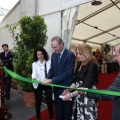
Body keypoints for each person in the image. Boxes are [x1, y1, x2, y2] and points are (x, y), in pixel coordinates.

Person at [77, 44, 120, 120]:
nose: (115, 59)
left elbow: (109, 93)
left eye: (116, 55)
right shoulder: (80, 64)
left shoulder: (92, 65)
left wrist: (86, 91)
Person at [62, 44, 99, 120]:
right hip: (78, 96)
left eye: (80, 54)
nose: (78, 56)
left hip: (88, 98)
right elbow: (76, 81)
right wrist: (68, 89)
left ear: (86, 53)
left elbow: (86, 86)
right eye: (77, 53)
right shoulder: (80, 63)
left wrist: (71, 95)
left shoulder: (92, 65)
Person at [42, 36, 75, 120]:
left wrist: (51, 80)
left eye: (55, 47)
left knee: (67, 112)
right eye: (52, 47)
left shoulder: (70, 55)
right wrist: (47, 78)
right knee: (58, 111)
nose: (54, 49)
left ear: (61, 44)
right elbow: (52, 69)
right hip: (56, 88)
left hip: (66, 88)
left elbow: (67, 73)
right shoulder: (53, 55)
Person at [32, 47, 53, 120]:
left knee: (49, 102)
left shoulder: (49, 62)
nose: (40, 56)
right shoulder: (34, 64)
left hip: (47, 84)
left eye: (41, 54)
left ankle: (51, 117)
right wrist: (34, 79)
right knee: (38, 102)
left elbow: (51, 74)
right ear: (36, 55)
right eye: (38, 54)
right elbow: (33, 74)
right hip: (38, 84)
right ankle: (38, 118)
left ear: (44, 54)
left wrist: (47, 80)